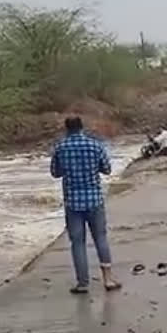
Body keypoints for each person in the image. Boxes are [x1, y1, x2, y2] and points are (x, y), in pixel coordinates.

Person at [49, 116, 121, 294]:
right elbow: (107, 169)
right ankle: (108, 279)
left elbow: (55, 173)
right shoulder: (95, 145)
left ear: (67, 129)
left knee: (78, 243)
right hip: (94, 200)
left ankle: (83, 283)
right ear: (82, 128)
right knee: (100, 238)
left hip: (73, 202)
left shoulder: (60, 147)